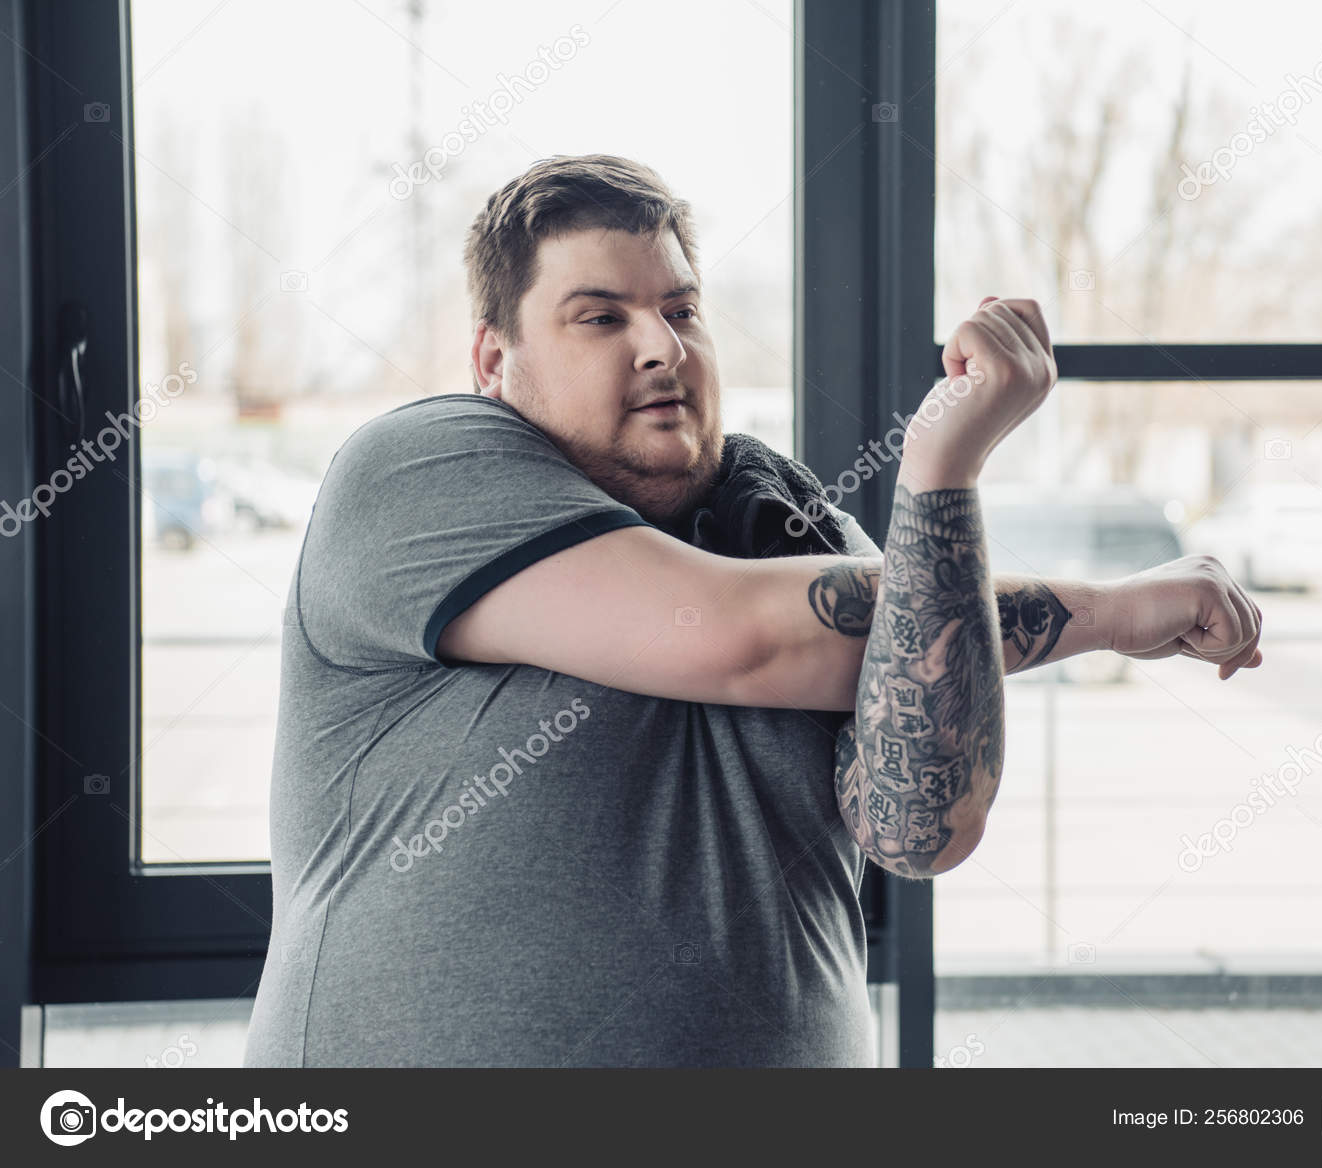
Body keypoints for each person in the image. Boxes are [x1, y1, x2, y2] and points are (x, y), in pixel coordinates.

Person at [243, 154, 1262, 1068]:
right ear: (492, 361)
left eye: (682, 311)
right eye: (601, 317)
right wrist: (1114, 612)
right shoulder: (418, 469)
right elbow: (738, 636)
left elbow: (921, 826)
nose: (661, 348)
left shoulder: (780, 511)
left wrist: (944, 471)